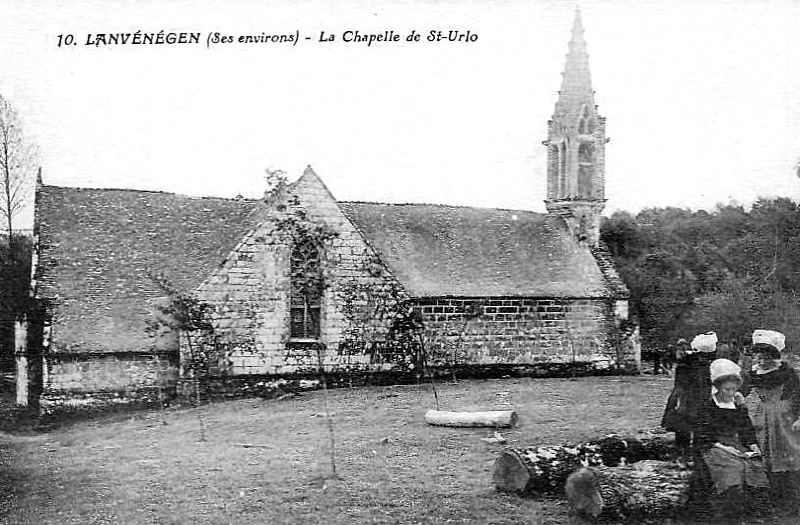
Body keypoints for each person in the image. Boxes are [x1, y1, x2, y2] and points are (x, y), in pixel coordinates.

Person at [693, 358, 770, 521]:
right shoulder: (707, 406)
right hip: (713, 446)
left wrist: (753, 444)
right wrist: (725, 448)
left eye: (734, 389)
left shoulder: (738, 403)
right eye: (727, 389)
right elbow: (703, 435)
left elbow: (746, 427)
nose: (731, 392)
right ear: (718, 387)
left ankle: (752, 513)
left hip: (736, 443)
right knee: (733, 469)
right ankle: (728, 515)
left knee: (754, 466)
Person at [745, 329, 800, 517]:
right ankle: (774, 500)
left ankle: (791, 502)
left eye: (765, 357)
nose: (761, 361)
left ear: (774, 356)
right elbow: (740, 388)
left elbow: (798, 394)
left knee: (788, 456)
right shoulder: (754, 373)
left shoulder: (786, 372)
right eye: (758, 357)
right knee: (765, 457)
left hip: (785, 417)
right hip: (762, 415)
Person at [661, 332, 718, 460]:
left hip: (685, 398)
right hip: (691, 399)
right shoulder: (699, 366)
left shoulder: (687, 362)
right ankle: (687, 454)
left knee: (686, 427)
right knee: (692, 426)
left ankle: (686, 453)